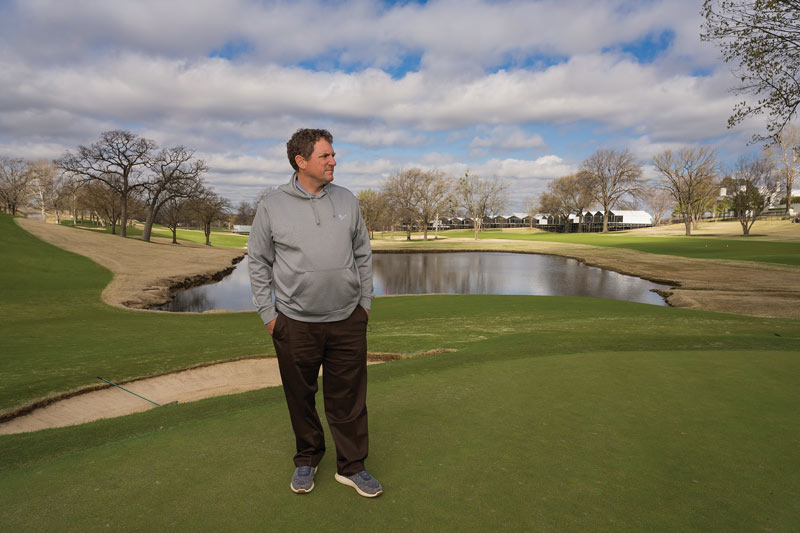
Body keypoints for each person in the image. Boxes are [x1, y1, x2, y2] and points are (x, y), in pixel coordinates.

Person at [247, 128, 382, 498]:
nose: (333, 161)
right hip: (295, 322)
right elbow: (258, 262)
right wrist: (269, 315)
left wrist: (364, 304)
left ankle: (352, 467)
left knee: (349, 398)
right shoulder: (272, 205)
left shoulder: (348, 200)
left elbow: (362, 255)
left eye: (333, 154)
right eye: (325, 156)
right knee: (300, 396)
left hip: (347, 320)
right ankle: (307, 458)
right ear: (301, 161)